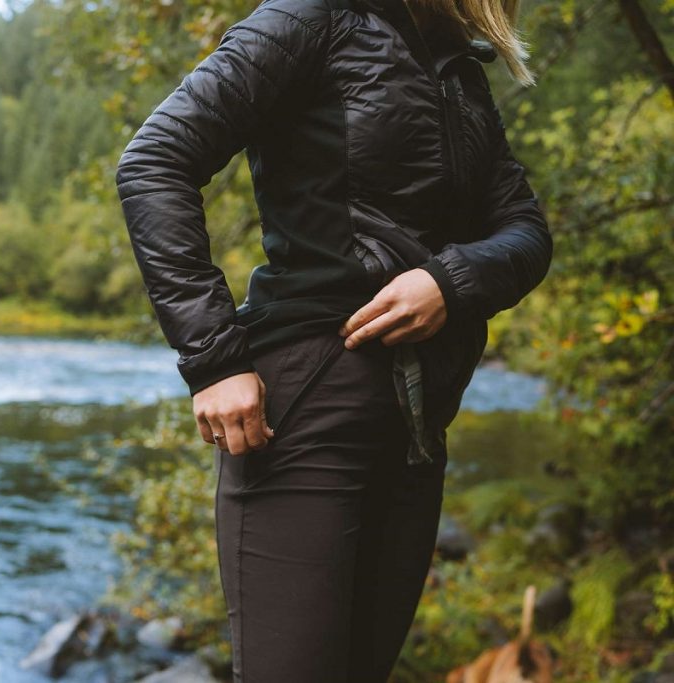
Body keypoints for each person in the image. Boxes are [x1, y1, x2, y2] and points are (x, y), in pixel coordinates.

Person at [114, 0, 553, 680]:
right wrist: (214, 360)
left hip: (417, 429)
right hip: (305, 411)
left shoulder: (457, 65)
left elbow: (526, 229)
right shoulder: (310, 17)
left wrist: (450, 280)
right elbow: (154, 160)